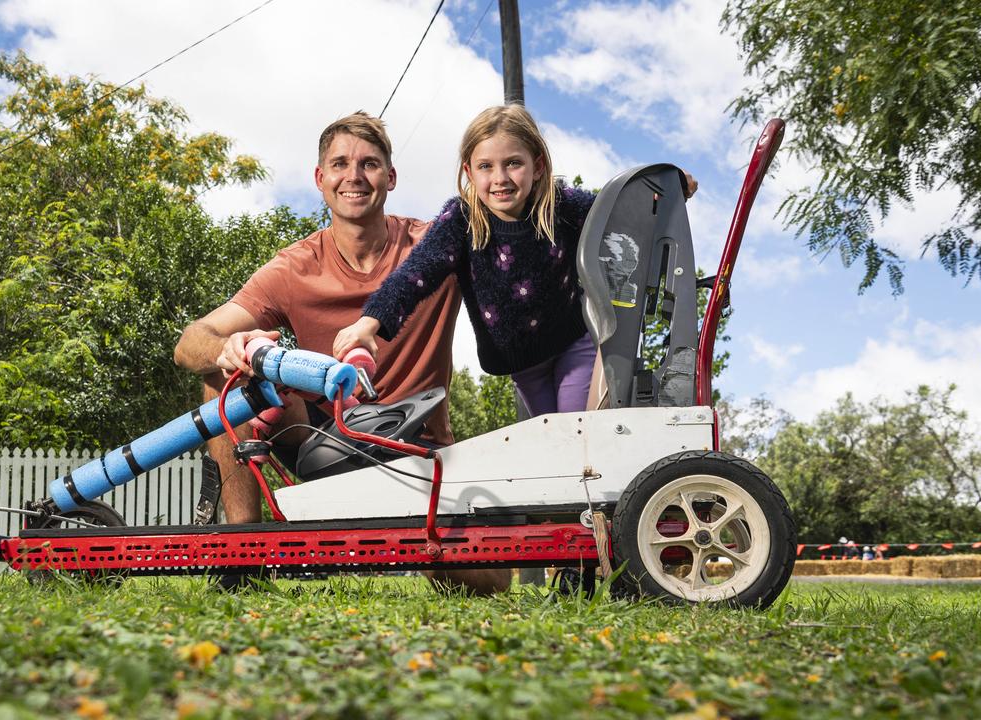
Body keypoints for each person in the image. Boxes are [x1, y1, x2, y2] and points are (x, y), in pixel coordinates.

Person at [173, 111, 510, 595]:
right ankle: (240, 555)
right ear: (320, 178)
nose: (354, 176)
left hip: (416, 444)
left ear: (390, 178)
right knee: (220, 375)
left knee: (486, 582)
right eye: (340, 164)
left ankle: (423, 538)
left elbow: (511, 230)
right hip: (326, 437)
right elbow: (191, 341)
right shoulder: (295, 267)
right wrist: (227, 347)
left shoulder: (433, 246)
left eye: (370, 164)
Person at [333, 105, 695, 416]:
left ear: (537, 166)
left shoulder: (560, 206)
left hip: (573, 343)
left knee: (575, 429)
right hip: (521, 364)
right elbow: (416, 274)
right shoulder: (461, 221)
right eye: (486, 166)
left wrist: (665, 194)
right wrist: (370, 322)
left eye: (513, 164)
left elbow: (616, 214)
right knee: (546, 442)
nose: (500, 178)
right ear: (470, 171)